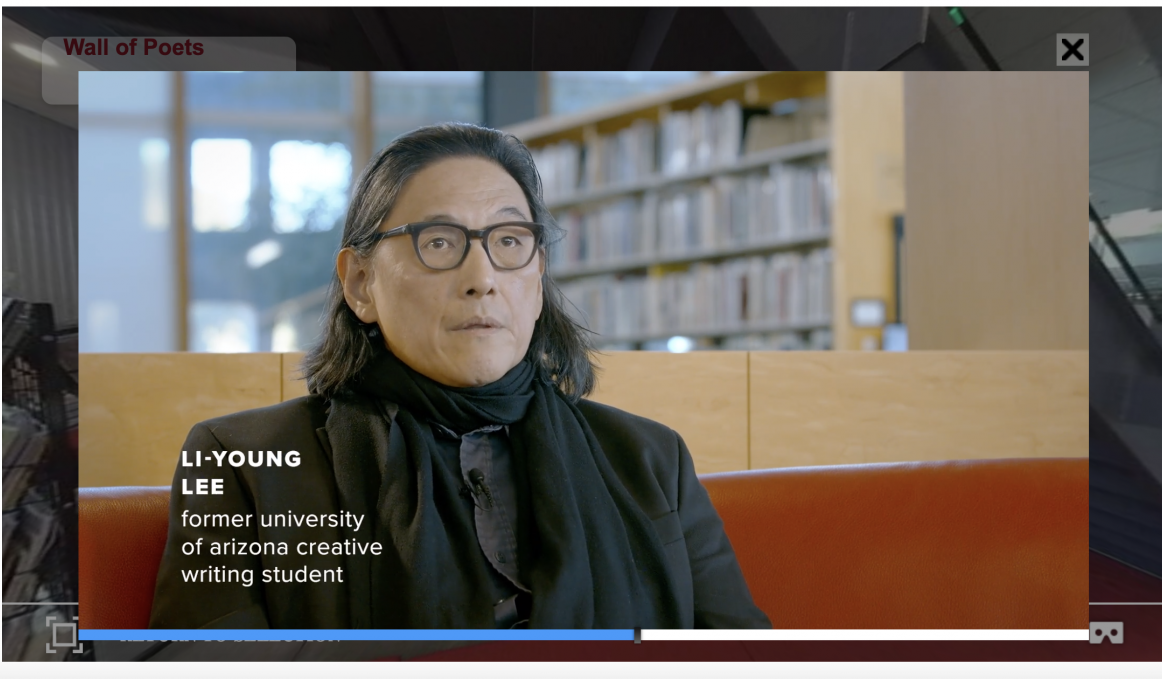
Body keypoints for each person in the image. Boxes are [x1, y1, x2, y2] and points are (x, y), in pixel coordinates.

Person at [149, 122, 771, 630]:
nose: (483, 277)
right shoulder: (243, 462)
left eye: (508, 240)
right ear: (360, 283)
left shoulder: (648, 456)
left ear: (537, 280)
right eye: (439, 242)